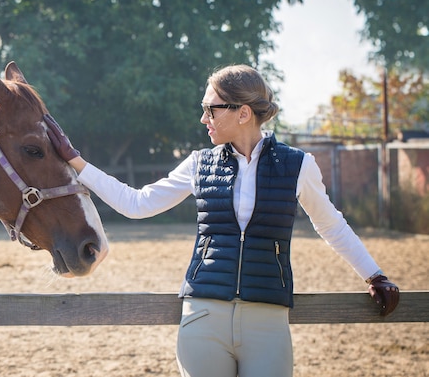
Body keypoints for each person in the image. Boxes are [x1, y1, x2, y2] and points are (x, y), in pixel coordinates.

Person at [44, 64, 400, 377]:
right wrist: (76, 162)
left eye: (210, 110)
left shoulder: (298, 165)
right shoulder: (199, 163)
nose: (204, 119)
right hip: (203, 317)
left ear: (243, 113)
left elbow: (331, 225)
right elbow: (137, 203)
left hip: (268, 320)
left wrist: (374, 274)